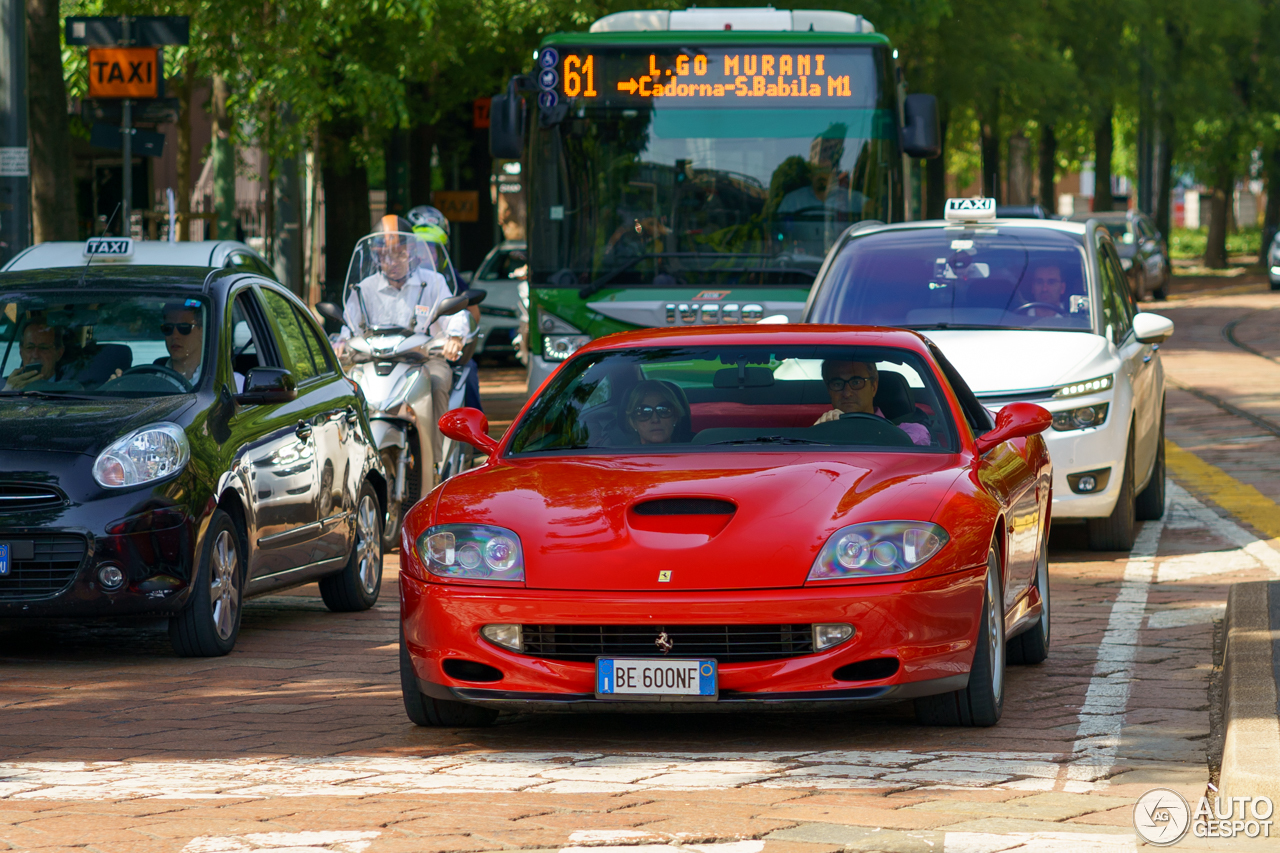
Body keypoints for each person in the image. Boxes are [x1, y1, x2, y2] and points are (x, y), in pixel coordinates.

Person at [341, 215, 469, 483]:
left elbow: (455, 314)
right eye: (384, 256)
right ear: (376, 258)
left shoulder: (433, 282)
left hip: (422, 361)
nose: (392, 262)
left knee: (438, 381)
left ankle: (435, 464)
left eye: (399, 255)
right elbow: (349, 326)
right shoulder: (364, 289)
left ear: (412, 253)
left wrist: (455, 336)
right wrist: (341, 344)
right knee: (347, 389)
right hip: (374, 362)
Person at [408, 204, 484, 411]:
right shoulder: (396, 279)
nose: (426, 255)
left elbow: (472, 312)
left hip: (438, 353)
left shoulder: (448, 279)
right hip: (399, 354)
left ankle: (474, 439)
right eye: (420, 248)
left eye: (432, 249)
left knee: (467, 376)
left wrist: (456, 337)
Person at [813, 360, 931, 446]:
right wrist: (818, 435)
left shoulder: (910, 431)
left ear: (873, 387)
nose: (847, 393)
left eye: (856, 382)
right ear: (829, 390)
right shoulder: (821, 430)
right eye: (837, 384)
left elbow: (917, 441)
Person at [622, 380, 689, 445]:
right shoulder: (620, 455)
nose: (655, 420)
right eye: (644, 413)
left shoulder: (695, 451)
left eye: (663, 410)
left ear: (675, 418)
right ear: (633, 422)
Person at [4, 322, 67, 390]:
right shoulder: (5, 385)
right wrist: (8, 391)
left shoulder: (71, 389)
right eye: (30, 347)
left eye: (43, 348)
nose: (35, 355)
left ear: (59, 354)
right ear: (21, 353)